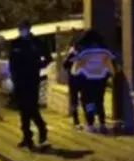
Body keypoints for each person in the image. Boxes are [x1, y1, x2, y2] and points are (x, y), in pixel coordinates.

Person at [8, 21, 52, 149]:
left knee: (31, 107)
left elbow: (48, 58)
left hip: (32, 79)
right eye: (21, 29)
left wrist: (37, 66)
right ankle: (27, 137)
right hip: (19, 80)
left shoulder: (37, 43)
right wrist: (14, 77)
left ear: (29, 29)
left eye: (24, 28)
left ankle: (42, 129)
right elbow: (12, 62)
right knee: (23, 109)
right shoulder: (15, 43)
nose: (22, 31)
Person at [70, 30, 116, 133]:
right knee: (99, 100)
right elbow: (109, 64)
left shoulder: (82, 48)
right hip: (100, 78)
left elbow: (76, 65)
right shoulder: (103, 48)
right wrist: (111, 74)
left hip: (86, 79)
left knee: (88, 101)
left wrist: (75, 75)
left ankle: (90, 124)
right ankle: (102, 123)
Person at [62, 35, 86, 128]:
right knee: (74, 101)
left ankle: (88, 120)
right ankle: (76, 121)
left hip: (83, 79)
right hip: (74, 80)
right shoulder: (72, 53)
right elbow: (65, 65)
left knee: (85, 100)